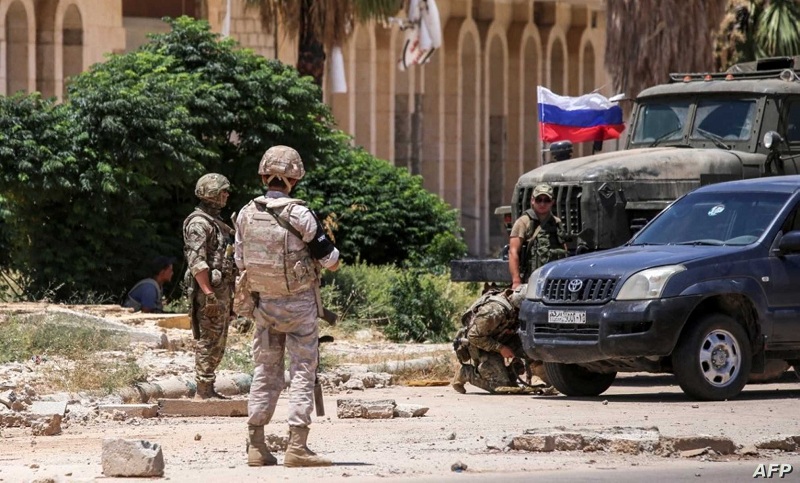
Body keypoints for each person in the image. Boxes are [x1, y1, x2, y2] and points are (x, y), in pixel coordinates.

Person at [234, 145, 340, 468]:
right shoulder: (300, 214)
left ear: (264, 176)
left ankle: (256, 446)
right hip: (299, 309)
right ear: (294, 179)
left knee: (265, 372)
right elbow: (331, 260)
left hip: (264, 308)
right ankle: (297, 446)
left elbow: (240, 262)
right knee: (303, 371)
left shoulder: (246, 214)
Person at [183, 173, 236, 401]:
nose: (227, 195)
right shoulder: (199, 224)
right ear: (212, 194)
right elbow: (197, 262)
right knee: (208, 339)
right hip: (210, 293)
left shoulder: (215, 222)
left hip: (220, 290)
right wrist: (208, 294)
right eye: (223, 191)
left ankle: (208, 387)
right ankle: (203, 390)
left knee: (218, 339)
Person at [451, 285, 542, 394]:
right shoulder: (494, 312)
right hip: (480, 345)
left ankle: (513, 374)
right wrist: (501, 348)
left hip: (502, 339)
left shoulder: (514, 309)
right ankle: (466, 373)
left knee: (535, 349)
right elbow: (473, 337)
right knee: (501, 387)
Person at [508, 183, 568, 289]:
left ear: (552, 202)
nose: (542, 203)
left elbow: (564, 249)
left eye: (546, 200)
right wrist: (516, 281)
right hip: (531, 280)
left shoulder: (556, 222)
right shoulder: (523, 222)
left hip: (554, 280)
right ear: (532, 200)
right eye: (539, 200)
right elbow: (513, 252)